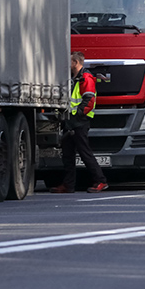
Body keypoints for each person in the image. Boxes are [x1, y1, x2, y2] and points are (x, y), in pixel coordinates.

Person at [53, 52, 109, 193]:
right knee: (67, 154)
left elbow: (89, 100)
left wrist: (77, 115)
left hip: (79, 122)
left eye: (70, 61)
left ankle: (101, 181)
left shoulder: (85, 78)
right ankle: (68, 185)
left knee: (85, 153)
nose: (68, 64)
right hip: (70, 122)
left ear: (76, 63)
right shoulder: (75, 79)